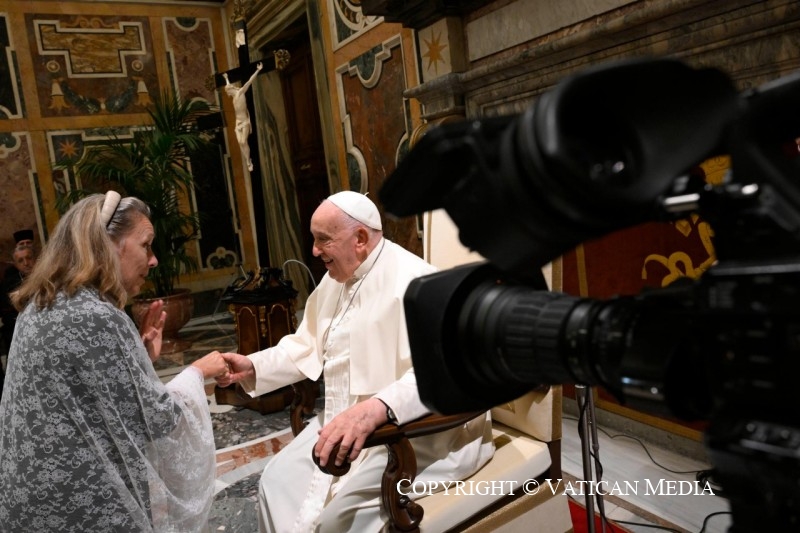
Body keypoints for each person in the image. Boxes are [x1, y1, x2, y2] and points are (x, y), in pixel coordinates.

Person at [216, 191, 494, 532]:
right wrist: (254, 366)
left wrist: (377, 408)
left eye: (323, 239)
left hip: (417, 435)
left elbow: (445, 372)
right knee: (275, 483)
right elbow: (305, 346)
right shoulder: (335, 281)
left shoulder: (417, 283)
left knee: (339, 520)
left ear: (360, 239)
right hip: (345, 421)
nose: (314, 251)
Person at [0, 192, 229, 532]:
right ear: (107, 245)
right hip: (84, 504)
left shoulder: (37, 307)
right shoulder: (99, 314)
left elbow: (83, 398)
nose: (153, 260)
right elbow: (156, 418)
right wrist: (198, 372)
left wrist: (138, 356)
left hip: (31, 500)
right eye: (145, 245)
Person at [0, 230, 38, 397]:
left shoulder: (46, 277)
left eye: (29, 258)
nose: (26, 263)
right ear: (15, 264)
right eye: (21, 261)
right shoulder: (10, 282)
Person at [223, 61, 263, 171]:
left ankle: (248, 161)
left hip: (245, 121)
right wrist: (226, 78)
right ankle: (247, 160)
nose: (228, 94)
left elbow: (249, 81)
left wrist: (258, 70)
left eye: (228, 92)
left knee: (243, 141)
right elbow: (228, 86)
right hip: (238, 122)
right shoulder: (233, 97)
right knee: (240, 143)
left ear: (231, 90)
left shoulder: (240, 92)